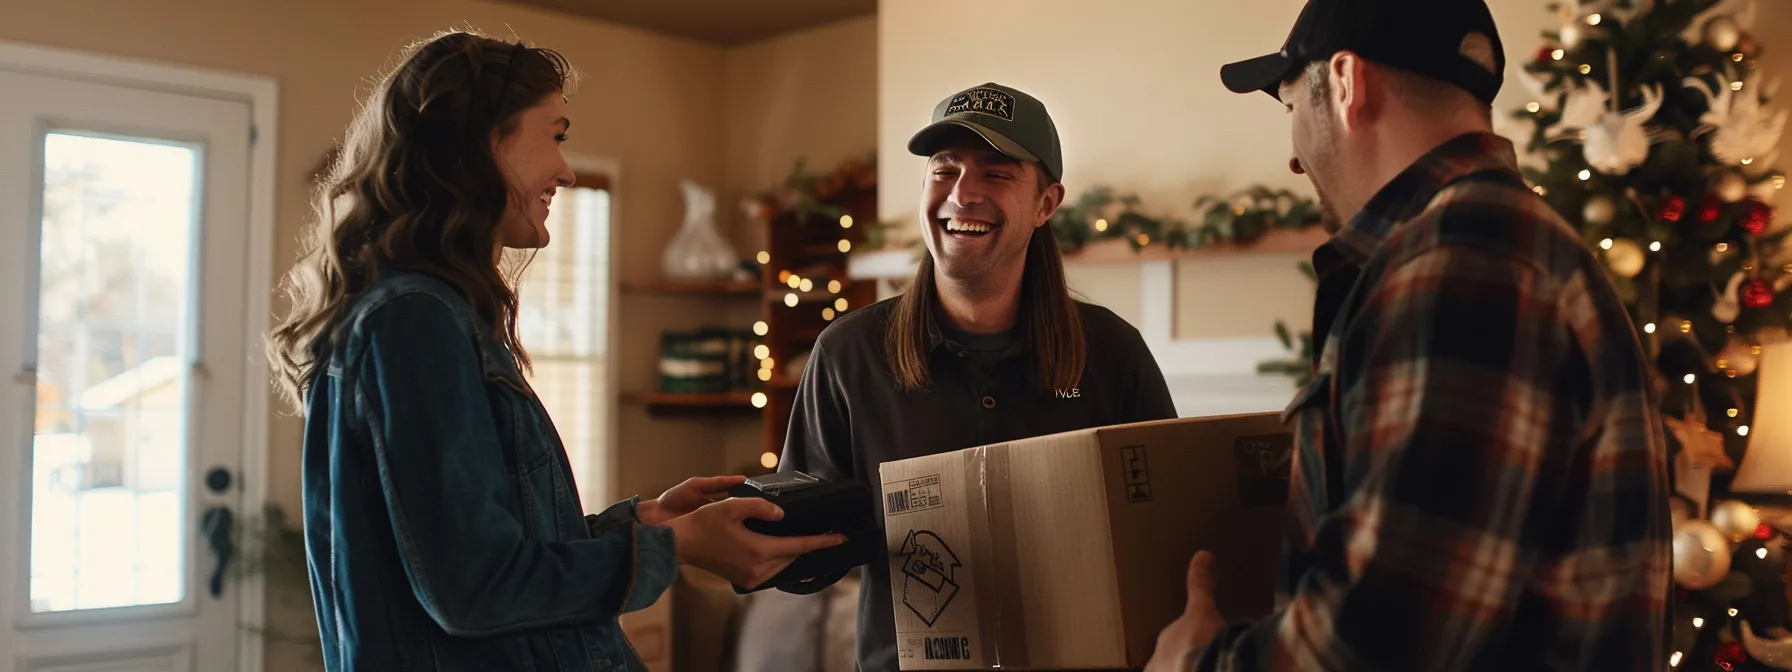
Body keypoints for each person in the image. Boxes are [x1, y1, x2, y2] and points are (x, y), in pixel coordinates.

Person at [265, 31, 843, 672]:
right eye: (557, 134)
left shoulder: (433, 315)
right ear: (483, 142)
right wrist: (675, 547)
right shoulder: (413, 321)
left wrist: (644, 524)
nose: (566, 170)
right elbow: (474, 588)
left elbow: (494, 554)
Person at [1145, 0, 1673, 670]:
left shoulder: (1463, 263)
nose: (1295, 158)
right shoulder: (1504, 244)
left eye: (1290, 110)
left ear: (1345, 83)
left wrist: (1197, 663)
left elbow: (1386, 640)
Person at [777, 81, 1179, 672]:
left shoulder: (1114, 352)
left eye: (996, 174)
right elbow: (805, 549)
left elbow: (1166, 534)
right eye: (945, 170)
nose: (963, 194)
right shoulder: (848, 354)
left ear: (1046, 203)